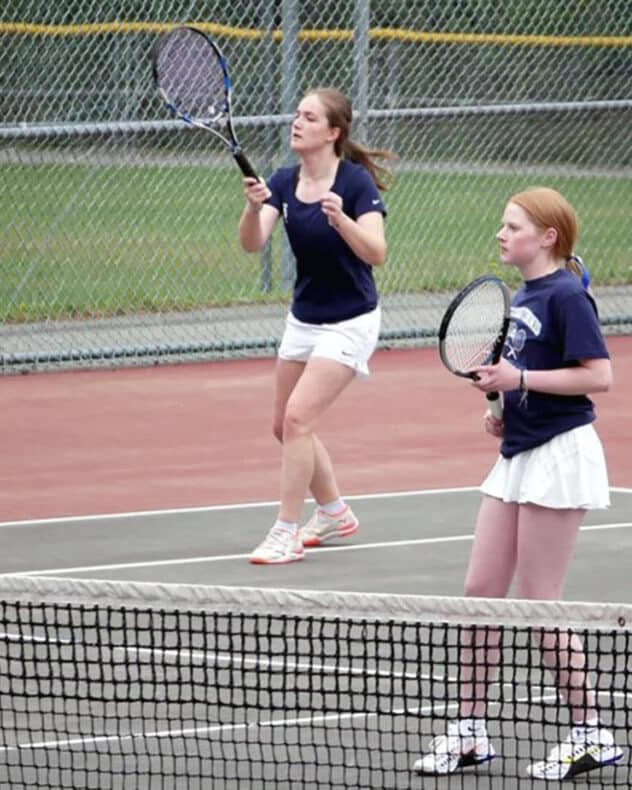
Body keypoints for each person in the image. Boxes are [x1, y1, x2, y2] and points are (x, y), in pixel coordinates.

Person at [412, 187, 622, 781]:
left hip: (561, 455)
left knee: (539, 602)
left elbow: (598, 377)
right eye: (502, 226)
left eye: (512, 226)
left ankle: (591, 733)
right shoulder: (522, 296)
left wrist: (521, 375)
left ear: (547, 237)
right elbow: (516, 377)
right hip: (517, 453)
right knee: (479, 593)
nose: (501, 235)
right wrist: (502, 402)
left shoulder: (566, 296)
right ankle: (471, 730)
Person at [238, 87, 395, 564]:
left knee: (299, 418)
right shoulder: (283, 182)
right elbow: (252, 243)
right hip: (305, 317)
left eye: (309, 116)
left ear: (333, 132)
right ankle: (333, 513)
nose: (297, 122)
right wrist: (252, 206)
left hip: (351, 321)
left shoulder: (355, 183)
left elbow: (377, 253)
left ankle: (286, 531)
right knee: (283, 425)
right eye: (297, 115)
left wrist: (343, 220)